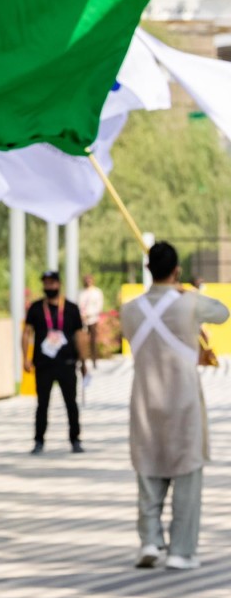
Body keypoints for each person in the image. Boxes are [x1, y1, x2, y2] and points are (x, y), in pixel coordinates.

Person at [122, 241, 229, 570]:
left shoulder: (130, 309)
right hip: (182, 401)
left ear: (148, 269)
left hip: (145, 400)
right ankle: (182, 551)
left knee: (149, 471)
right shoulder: (189, 304)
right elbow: (223, 313)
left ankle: (150, 541)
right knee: (186, 476)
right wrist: (186, 292)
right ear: (177, 269)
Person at [24, 269, 91, 455]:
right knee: (42, 404)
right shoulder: (36, 308)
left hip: (67, 362)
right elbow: (26, 333)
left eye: (52, 283)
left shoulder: (70, 308)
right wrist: (26, 358)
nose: (49, 286)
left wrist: (84, 361)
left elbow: (80, 335)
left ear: (58, 284)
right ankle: (38, 440)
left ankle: (75, 439)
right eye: (46, 283)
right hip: (44, 364)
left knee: (71, 403)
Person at [78, 273, 108, 363]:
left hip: (93, 319)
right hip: (82, 319)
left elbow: (99, 306)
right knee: (82, 341)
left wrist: (89, 314)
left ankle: (94, 360)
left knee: (93, 340)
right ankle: (82, 359)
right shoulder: (81, 293)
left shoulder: (96, 292)